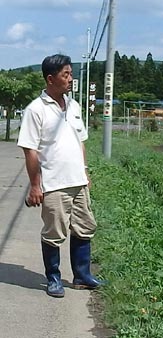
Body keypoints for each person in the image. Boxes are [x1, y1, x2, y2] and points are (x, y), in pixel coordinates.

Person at [18, 54, 103, 298]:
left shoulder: (74, 106)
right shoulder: (35, 110)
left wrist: (85, 172)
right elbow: (30, 150)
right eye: (65, 74)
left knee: (85, 227)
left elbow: (81, 142)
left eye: (71, 74)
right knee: (54, 232)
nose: (70, 79)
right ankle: (53, 278)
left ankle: (82, 276)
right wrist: (36, 186)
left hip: (78, 182)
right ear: (50, 78)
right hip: (54, 184)